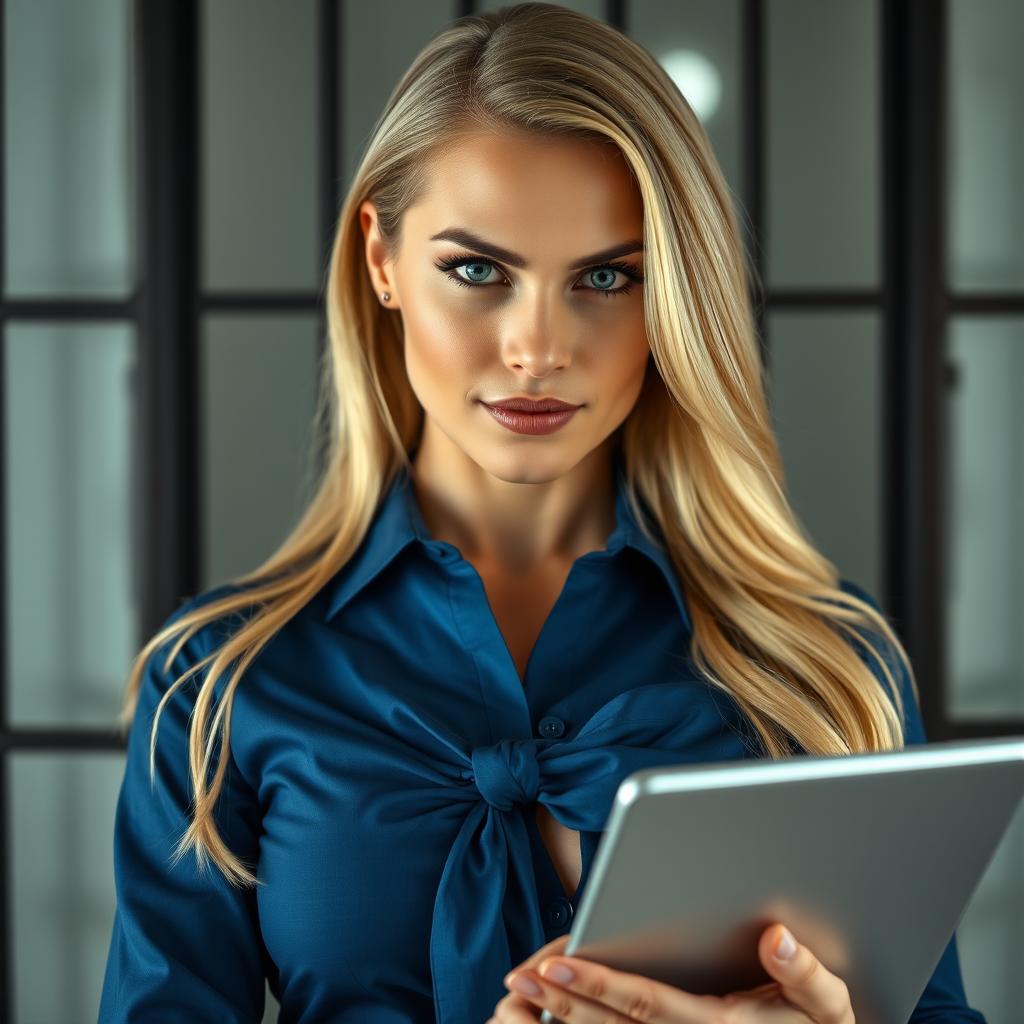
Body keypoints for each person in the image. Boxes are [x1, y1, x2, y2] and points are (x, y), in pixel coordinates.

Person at [97, 4, 988, 1023]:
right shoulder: (211, 684)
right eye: (477, 270)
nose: (537, 346)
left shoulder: (826, 663)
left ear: (675, 296)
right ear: (381, 259)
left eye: (607, 277)